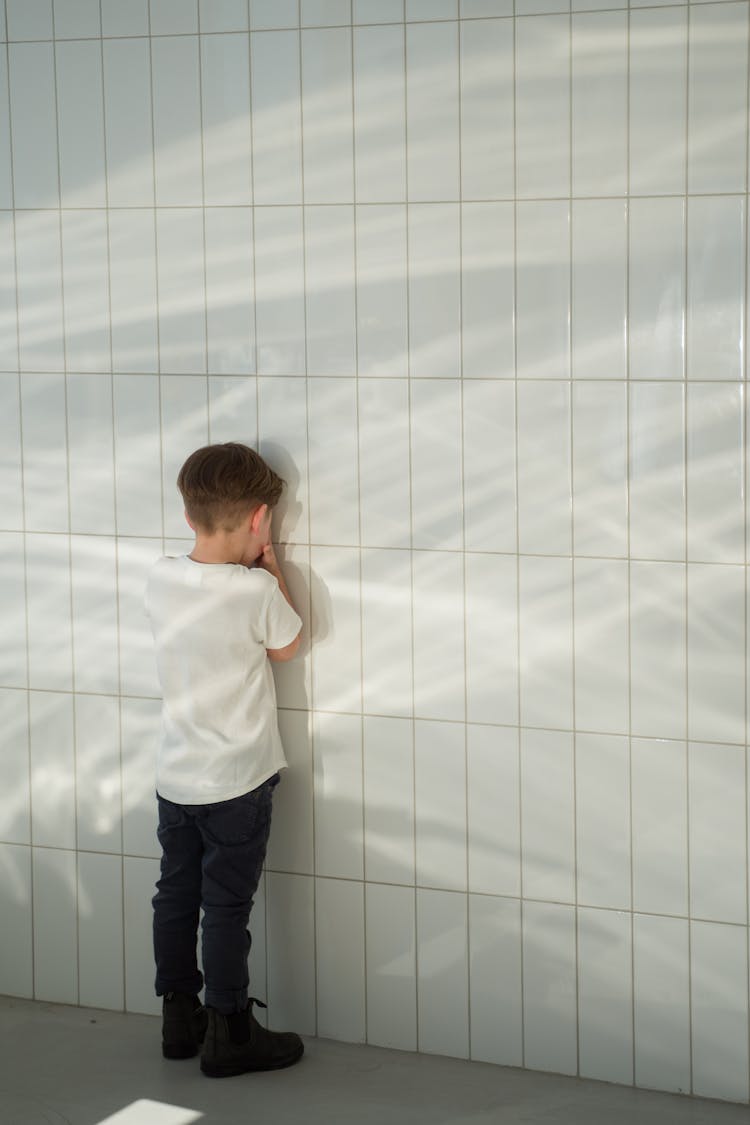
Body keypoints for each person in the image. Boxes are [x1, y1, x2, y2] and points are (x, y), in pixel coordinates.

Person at [144, 441, 304, 1078]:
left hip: (175, 777)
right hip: (237, 782)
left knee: (175, 896)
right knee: (227, 907)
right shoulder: (252, 592)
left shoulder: (159, 575)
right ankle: (231, 1030)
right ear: (261, 519)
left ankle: (180, 1019)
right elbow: (289, 645)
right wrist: (272, 570)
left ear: (188, 515)